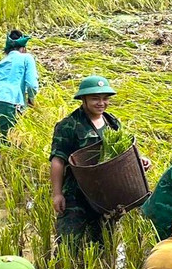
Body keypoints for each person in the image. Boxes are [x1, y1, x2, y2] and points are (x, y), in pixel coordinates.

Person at [50, 75, 149, 251]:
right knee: (68, 243)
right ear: (83, 99)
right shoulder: (69, 125)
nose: (101, 103)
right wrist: (57, 194)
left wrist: (139, 161)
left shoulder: (112, 122)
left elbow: (124, 151)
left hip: (107, 195)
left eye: (105, 98)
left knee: (103, 243)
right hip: (77, 194)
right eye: (95, 98)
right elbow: (58, 160)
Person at [0, 29, 39, 151]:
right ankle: (2, 168)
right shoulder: (26, 58)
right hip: (8, 102)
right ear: (23, 48)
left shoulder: (2, 61)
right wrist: (31, 100)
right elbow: (32, 84)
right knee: (7, 146)